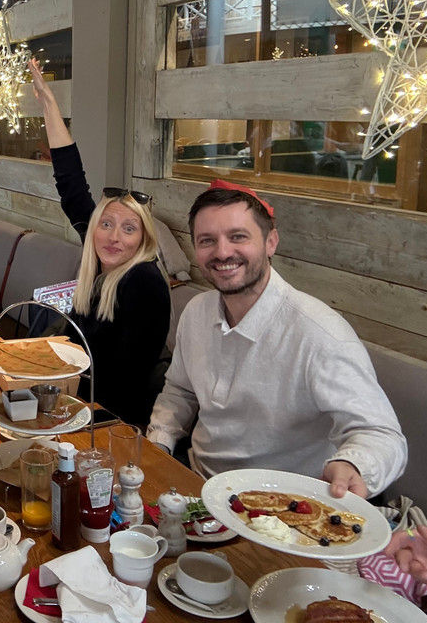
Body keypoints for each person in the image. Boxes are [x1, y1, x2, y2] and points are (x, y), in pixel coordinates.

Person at [147, 181, 407, 498]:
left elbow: (382, 434)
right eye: (207, 240)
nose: (222, 252)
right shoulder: (196, 312)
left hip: (280, 508)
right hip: (197, 485)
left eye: (238, 237)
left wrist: (353, 465)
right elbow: (180, 390)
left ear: (271, 242)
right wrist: (158, 445)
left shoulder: (319, 334)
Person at [29, 59, 171, 427]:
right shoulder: (101, 263)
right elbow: (72, 185)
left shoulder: (144, 283)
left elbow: (125, 384)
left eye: (128, 228)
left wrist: (60, 408)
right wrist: (49, 106)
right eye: (106, 224)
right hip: (77, 403)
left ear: (144, 239)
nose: (113, 236)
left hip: (111, 425)